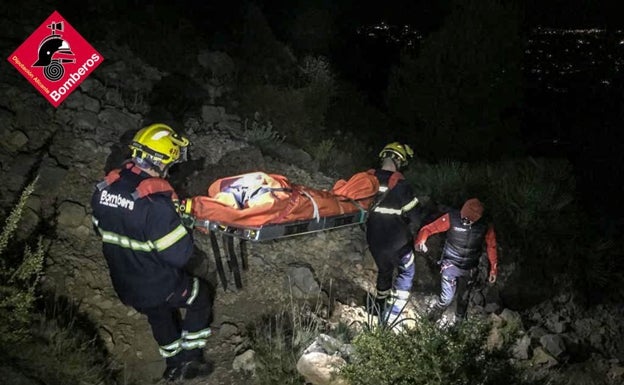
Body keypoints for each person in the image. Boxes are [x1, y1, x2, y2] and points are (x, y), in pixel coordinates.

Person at [91, 123, 213, 382]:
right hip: (157, 283)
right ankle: (191, 358)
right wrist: (183, 226)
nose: (171, 168)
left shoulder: (105, 188)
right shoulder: (155, 204)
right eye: (171, 161)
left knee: (157, 312)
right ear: (163, 158)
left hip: (126, 284)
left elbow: (101, 229)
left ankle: (173, 364)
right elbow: (180, 255)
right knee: (201, 296)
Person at [366, 142, 423, 326]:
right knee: (406, 272)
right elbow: (416, 216)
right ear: (399, 161)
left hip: (374, 240)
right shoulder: (401, 185)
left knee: (384, 271)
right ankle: (391, 317)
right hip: (397, 243)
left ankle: (379, 306)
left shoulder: (367, 179)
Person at [415, 198, 498, 324]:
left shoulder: (485, 226)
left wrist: (493, 269)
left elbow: (491, 246)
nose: (464, 221)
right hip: (450, 265)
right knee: (446, 298)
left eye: (468, 220)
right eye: (463, 218)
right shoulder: (452, 218)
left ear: (477, 219)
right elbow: (429, 229)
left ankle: (458, 327)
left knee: (463, 299)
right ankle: (429, 323)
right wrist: (421, 240)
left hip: (470, 268)